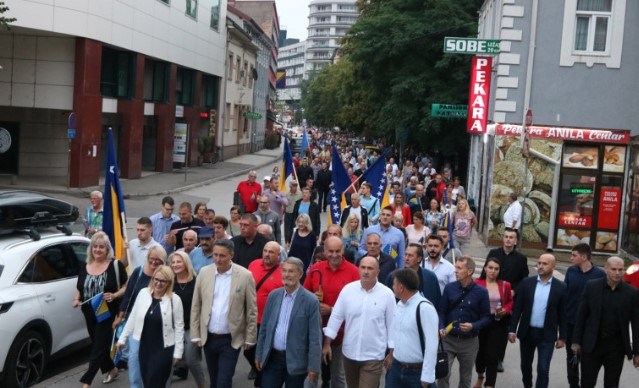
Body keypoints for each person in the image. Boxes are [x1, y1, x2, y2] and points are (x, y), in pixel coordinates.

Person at [190, 239, 258, 388]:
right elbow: (196, 305)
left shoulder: (245, 276)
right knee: (214, 380)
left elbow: (251, 309)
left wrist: (250, 337)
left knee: (223, 381)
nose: (218, 259)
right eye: (215, 255)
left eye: (222, 256)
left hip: (230, 340)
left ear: (231, 255)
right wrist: (195, 333)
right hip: (209, 338)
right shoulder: (204, 272)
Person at [322, 257, 396, 388]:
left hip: (373, 356)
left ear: (378, 271)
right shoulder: (348, 290)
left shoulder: (387, 294)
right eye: (363, 267)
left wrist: (392, 353)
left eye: (370, 268)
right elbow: (336, 317)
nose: (366, 271)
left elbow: (392, 324)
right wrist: (327, 343)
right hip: (349, 354)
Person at [571, 256, 639, 388]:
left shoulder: (632, 293)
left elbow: (636, 325)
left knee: (612, 384)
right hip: (592, 345)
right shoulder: (592, 286)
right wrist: (576, 341)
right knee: (587, 383)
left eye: (621, 269)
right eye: (614, 269)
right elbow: (581, 316)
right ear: (606, 269)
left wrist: (637, 352)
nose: (617, 273)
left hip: (616, 348)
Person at [255, 257, 322, 387]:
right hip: (272, 359)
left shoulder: (311, 301)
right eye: (284, 270)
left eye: (291, 271)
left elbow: (315, 337)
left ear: (300, 274)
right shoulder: (273, 296)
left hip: (297, 361)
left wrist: (313, 366)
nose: (286, 275)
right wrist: (259, 354)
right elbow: (264, 328)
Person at [73, 232, 127, 388]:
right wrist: (76, 299)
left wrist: (115, 294)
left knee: (97, 348)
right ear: (91, 249)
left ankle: (86, 382)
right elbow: (79, 287)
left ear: (107, 249)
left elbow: (127, 286)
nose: (97, 250)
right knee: (99, 344)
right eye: (95, 246)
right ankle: (112, 369)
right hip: (88, 311)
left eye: (101, 247)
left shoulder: (115, 265)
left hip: (106, 312)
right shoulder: (85, 266)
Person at [304, 236, 360, 388]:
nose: (334, 255)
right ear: (324, 250)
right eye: (330, 251)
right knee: (311, 373)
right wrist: (312, 298)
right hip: (315, 331)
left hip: (341, 334)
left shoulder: (354, 272)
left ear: (343, 250)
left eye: (337, 251)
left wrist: (331, 310)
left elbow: (358, 305)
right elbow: (303, 295)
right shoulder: (316, 269)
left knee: (338, 376)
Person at [116, 265, 184, 387]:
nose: (158, 283)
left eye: (162, 281)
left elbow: (179, 327)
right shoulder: (143, 293)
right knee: (147, 380)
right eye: (156, 279)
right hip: (145, 347)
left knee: (156, 380)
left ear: (169, 283)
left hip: (164, 349)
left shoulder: (175, 300)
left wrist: (178, 352)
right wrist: (122, 338)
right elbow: (132, 318)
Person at [508, 254, 567, 388]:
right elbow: (518, 308)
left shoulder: (561, 287)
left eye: (545, 264)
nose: (540, 266)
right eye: (539, 263)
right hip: (527, 332)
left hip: (547, 335)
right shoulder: (527, 283)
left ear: (554, 266)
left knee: (543, 369)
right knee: (525, 366)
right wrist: (512, 330)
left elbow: (563, 314)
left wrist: (563, 337)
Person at [113, 245, 167, 386]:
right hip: (136, 324)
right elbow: (128, 297)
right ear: (147, 257)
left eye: (158, 260)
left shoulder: (167, 276)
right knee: (134, 359)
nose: (154, 262)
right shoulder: (138, 273)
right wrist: (120, 317)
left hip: (156, 326)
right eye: (151, 259)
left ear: (163, 262)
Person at [437, 256, 491, 388]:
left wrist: (473, 326)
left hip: (469, 342)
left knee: (465, 379)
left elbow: (487, 317)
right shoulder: (450, 288)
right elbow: (441, 312)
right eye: (456, 267)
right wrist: (441, 327)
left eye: (459, 268)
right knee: (443, 374)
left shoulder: (482, 292)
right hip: (448, 339)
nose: (455, 271)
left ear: (470, 271)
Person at [385, 269, 439, 388]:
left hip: (416, 374)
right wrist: (391, 354)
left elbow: (432, 344)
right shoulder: (399, 305)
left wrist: (427, 376)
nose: (392, 287)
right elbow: (396, 333)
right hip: (396, 370)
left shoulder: (425, 308)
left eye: (394, 284)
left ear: (401, 288)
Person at [563, 243, 605, 388]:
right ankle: (573, 385)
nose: (570, 258)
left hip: (589, 326)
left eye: (574, 255)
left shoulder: (599, 275)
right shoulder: (571, 271)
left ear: (584, 257)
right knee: (571, 358)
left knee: (587, 359)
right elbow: (565, 294)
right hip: (570, 322)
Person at [244, 241, 285, 384]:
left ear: (279, 255)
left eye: (271, 252)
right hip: (249, 318)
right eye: (265, 250)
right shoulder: (254, 264)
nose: (267, 254)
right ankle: (258, 370)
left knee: (264, 353)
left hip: (267, 321)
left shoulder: (282, 273)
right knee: (247, 350)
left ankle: (262, 378)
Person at [473, 258, 514, 388]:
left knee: (492, 356)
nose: (493, 271)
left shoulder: (505, 285)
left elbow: (510, 302)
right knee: (479, 355)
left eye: (496, 269)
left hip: (497, 323)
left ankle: (489, 385)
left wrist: (505, 310)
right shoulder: (476, 283)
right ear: (485, 268)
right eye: (490, 268)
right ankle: (480, 376)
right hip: (480, 322)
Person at [169, 251, 206, 387]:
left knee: (191, 359)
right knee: (170, 361)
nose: (175, 265)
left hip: (192, 327)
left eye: (179, 261)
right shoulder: (169, 282)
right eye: (173, 262)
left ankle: (202, 385)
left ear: (186, 263)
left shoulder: (196, 281)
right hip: (173, 328)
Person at [386, 243, 441, 308]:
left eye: (410, 255)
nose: (406, 258)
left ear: (419, 259)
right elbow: (387, 300)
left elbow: (436, 303)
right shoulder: (393, 276)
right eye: (405, 255)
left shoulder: (430, 277)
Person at [486, 228, 529, 293]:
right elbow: (485, 272)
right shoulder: (493, 253)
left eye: (511, 237)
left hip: (510, 293)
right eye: (506, 237)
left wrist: (515, 291)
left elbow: (524, 279)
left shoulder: (521, 258)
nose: (508, 239)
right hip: (492, 290)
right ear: (503, 239)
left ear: (516, 241)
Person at [288, 214, 317, 278]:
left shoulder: (312, 234)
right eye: (299, 222)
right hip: (292, 262)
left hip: (305, 265)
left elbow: (313, 250)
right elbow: (288, 244)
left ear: (307, 223)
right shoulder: (294, 231)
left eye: (303, 222)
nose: (300, 224)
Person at [284, 180, 302, 246]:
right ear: (290, 186)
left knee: (294, 228)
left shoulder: (300, 194)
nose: (294, 187)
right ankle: (287, 242)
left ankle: (294, 242)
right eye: (293, 186)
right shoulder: (287, 194)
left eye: (296, 186)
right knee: (287, 229)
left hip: (296, 214)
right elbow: (284, 205)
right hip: (288, 213)